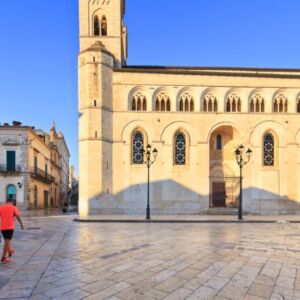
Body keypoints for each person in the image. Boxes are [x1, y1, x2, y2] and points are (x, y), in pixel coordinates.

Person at [0, 199, 24, 264]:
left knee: (7, 241)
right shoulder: (14, 207)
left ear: (6, 202)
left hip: (2, 228)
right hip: (10, 228)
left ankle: (10, 251)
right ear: (12, 202)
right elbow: (18, 216)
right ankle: (3, 258)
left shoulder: (1, 207)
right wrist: (21, 224)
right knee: (7, 243)